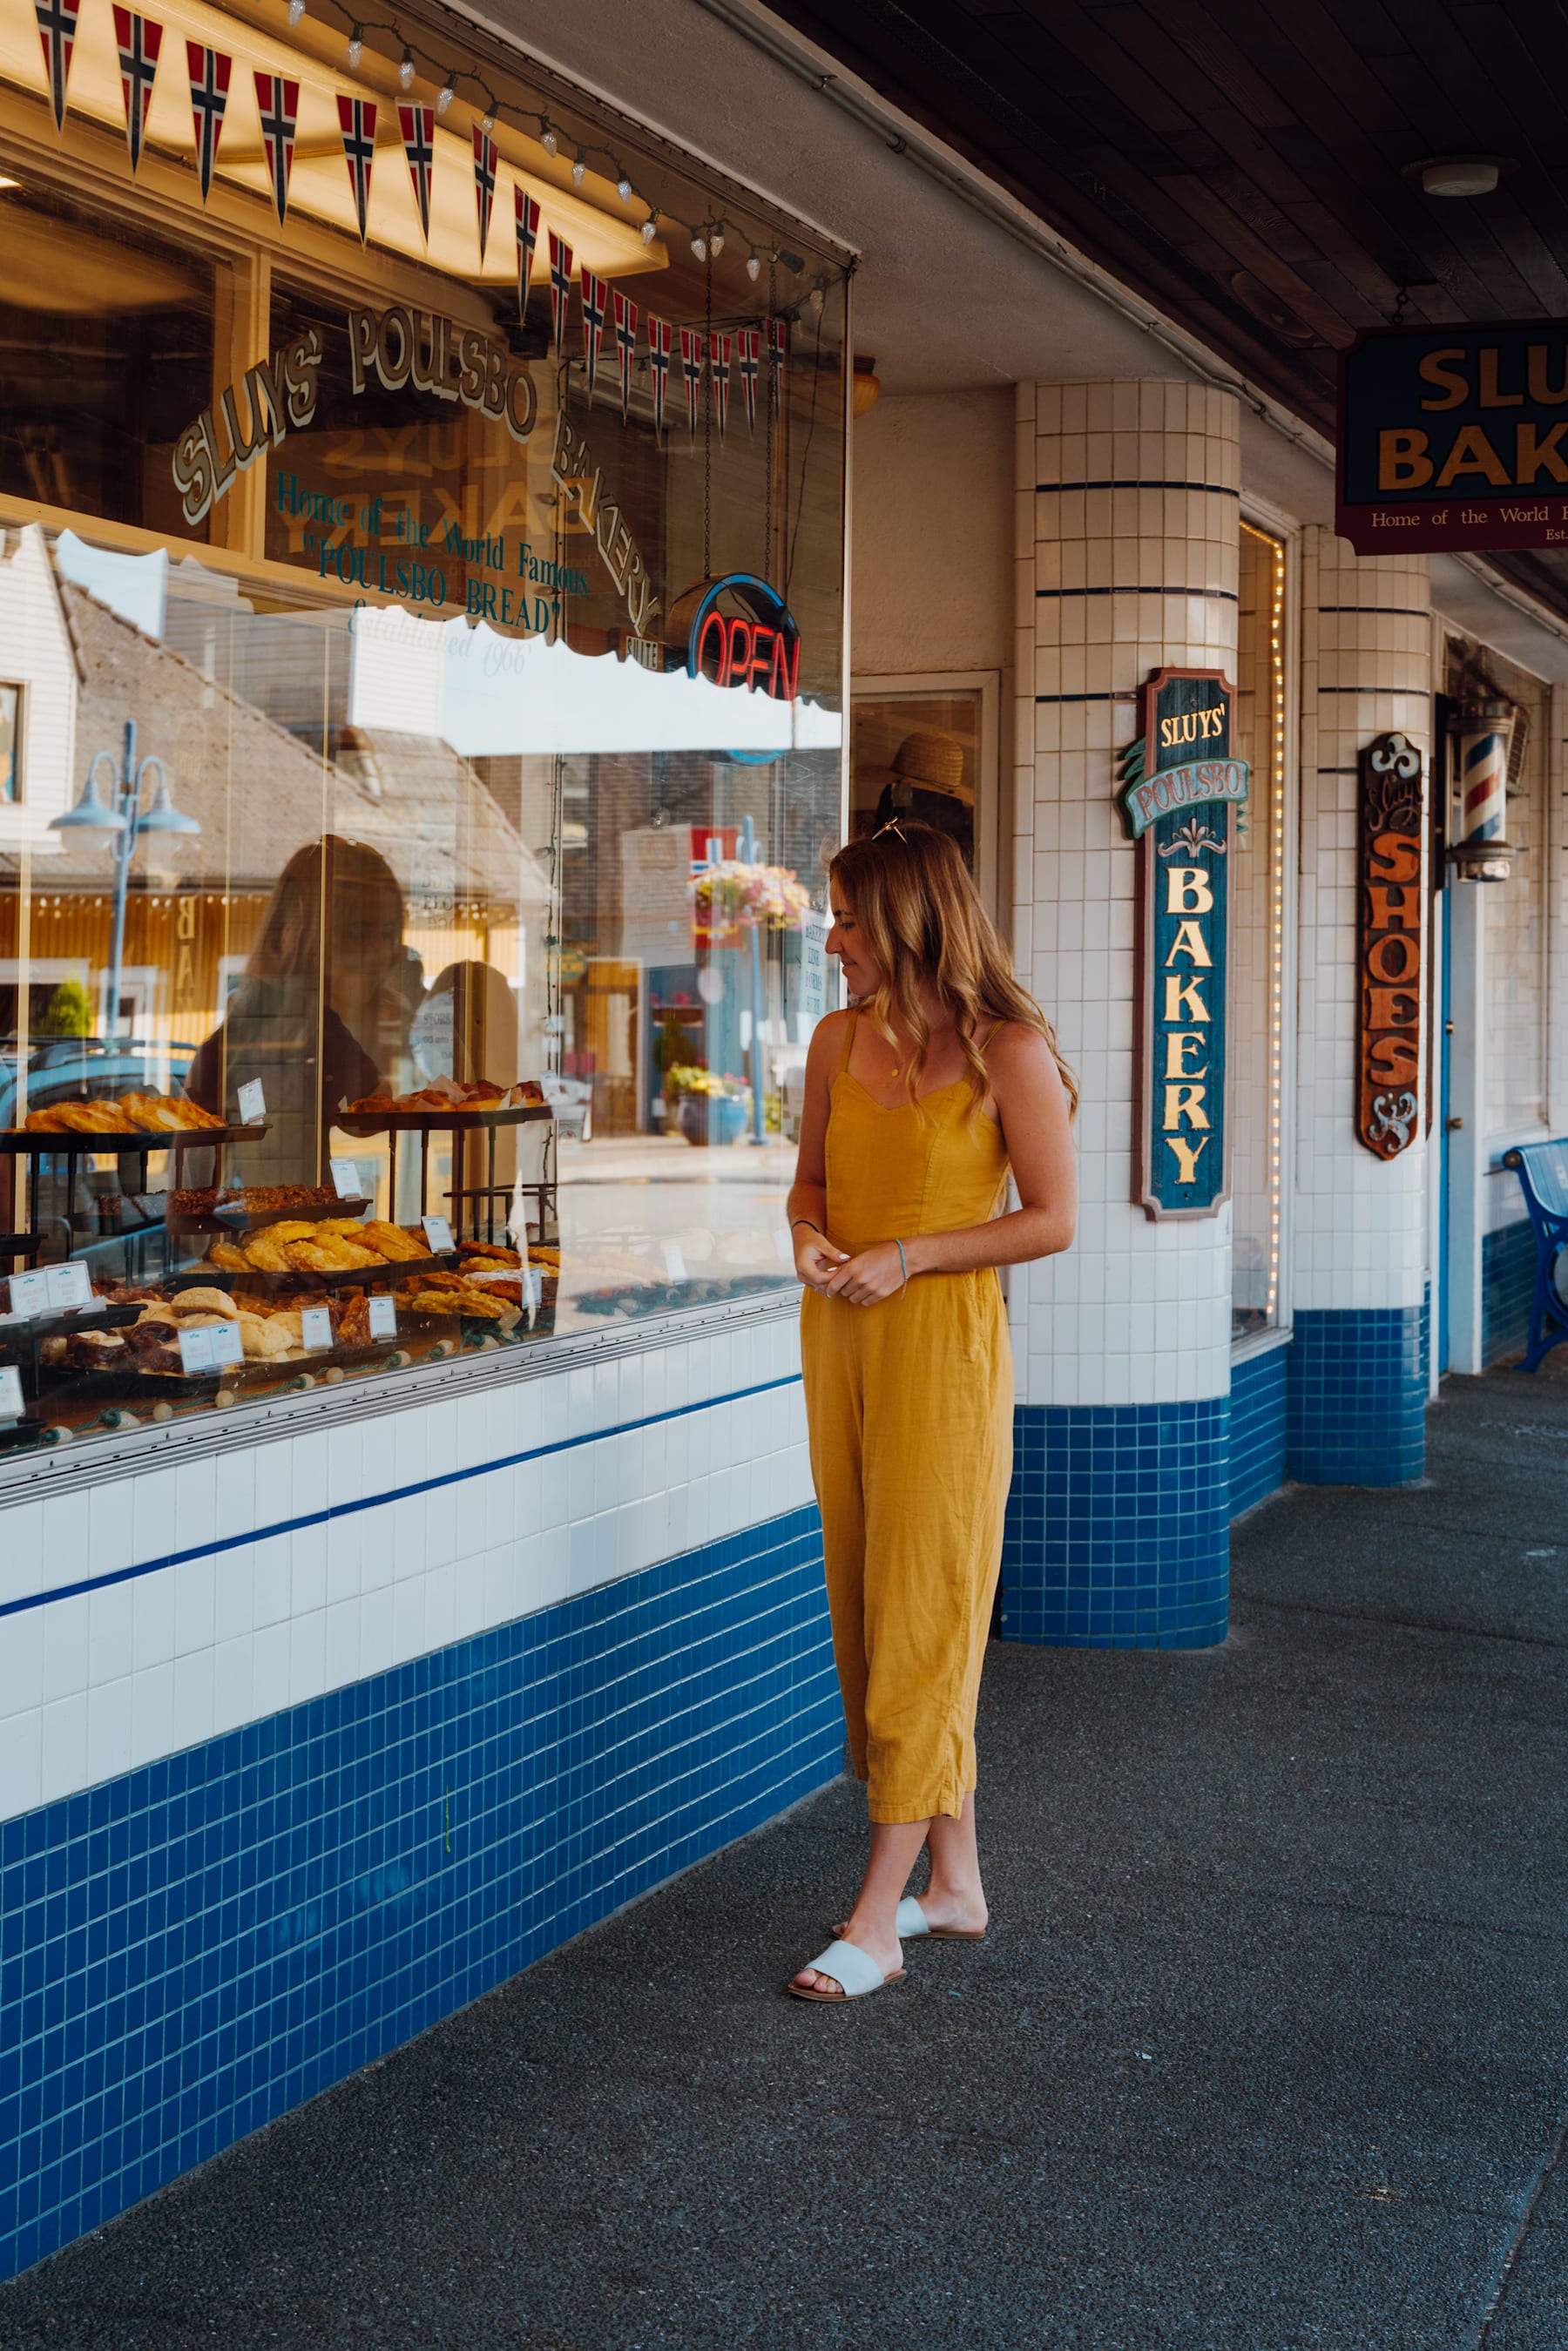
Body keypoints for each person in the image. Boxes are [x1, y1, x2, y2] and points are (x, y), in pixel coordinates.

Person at [785, 820, 1077, 2002]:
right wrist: (807, 1234)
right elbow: (808, 1177)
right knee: (873, 1605)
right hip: (840, 1341)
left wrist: (911, 1252)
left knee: (926, 1612)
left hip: (943, 1356)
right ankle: (954, 1884)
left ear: (905, 920)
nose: (833, 935)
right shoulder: (833, 1038)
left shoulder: (1010, 1047)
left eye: (848, 916)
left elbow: (1052, 1218)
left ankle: (876, 1920)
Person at [188, 835, 411, 1183]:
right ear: (301, 937)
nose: (379, 951)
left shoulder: (337, 1029)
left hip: (306, 1215)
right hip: (249, 1219)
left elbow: (371, 1112)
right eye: (357, 933)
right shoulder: (242, 1044)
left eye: (388, 934)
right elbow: (195, 1170)